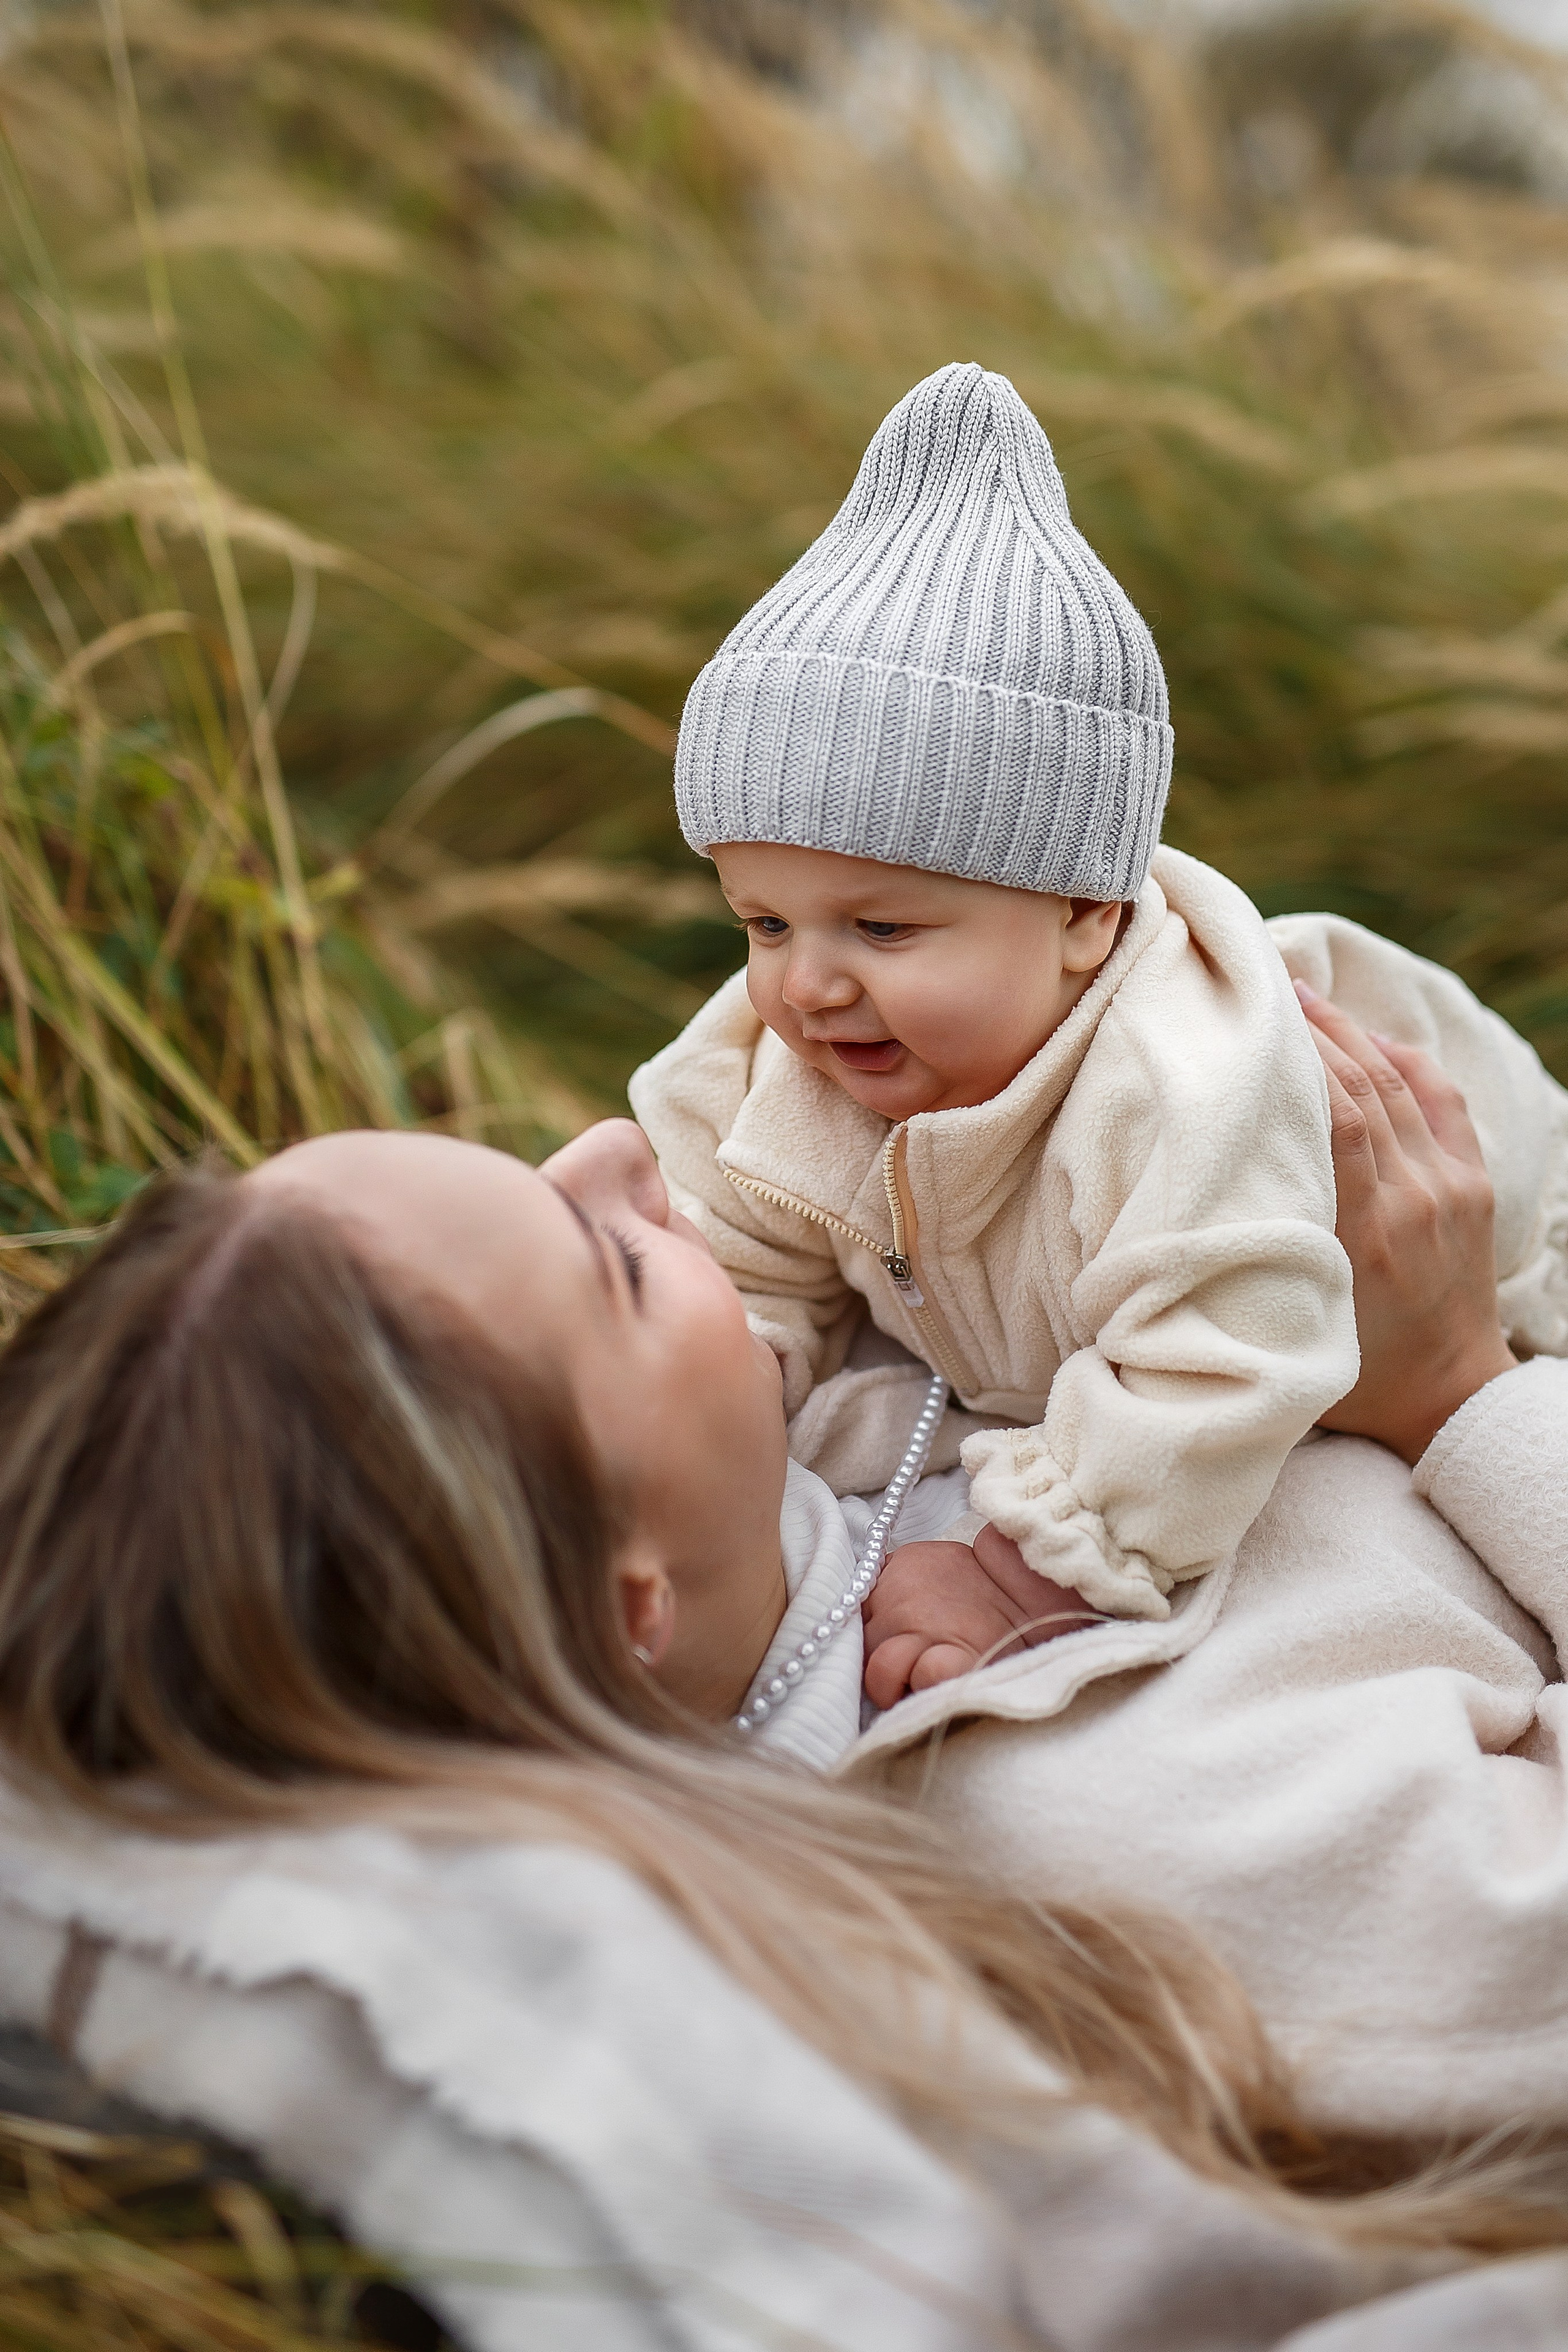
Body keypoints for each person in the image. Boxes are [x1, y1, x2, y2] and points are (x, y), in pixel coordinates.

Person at [1, 1043, 1567, 2350]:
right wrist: (1462, 1390)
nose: (621, 1142)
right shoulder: (1142, 1823)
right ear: (632, 1606)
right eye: (612, 1269)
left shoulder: (819, 1441)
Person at [630, 361, 1568, 1648]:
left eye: (883, 926)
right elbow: (723, 1255)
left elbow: (1224, 1362)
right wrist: (695, 1403)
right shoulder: (774, 1054)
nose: (805, 983)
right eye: (761, 921)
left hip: (1488, 1264)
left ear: (1083, 912)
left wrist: (1022, 1578)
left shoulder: (1182, 1087)